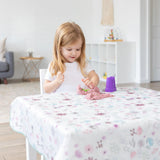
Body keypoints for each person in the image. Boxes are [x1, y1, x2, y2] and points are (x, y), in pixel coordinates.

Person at [44, 22, 99, 93]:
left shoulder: (83, 64)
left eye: (78, 49)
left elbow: (95, 77)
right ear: (60, 48)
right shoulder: (55, 65)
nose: (74, 53)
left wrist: (92, 83)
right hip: (62, 102)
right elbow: (46, 89)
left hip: (82, 101)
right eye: (69, 49)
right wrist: (57, 82)